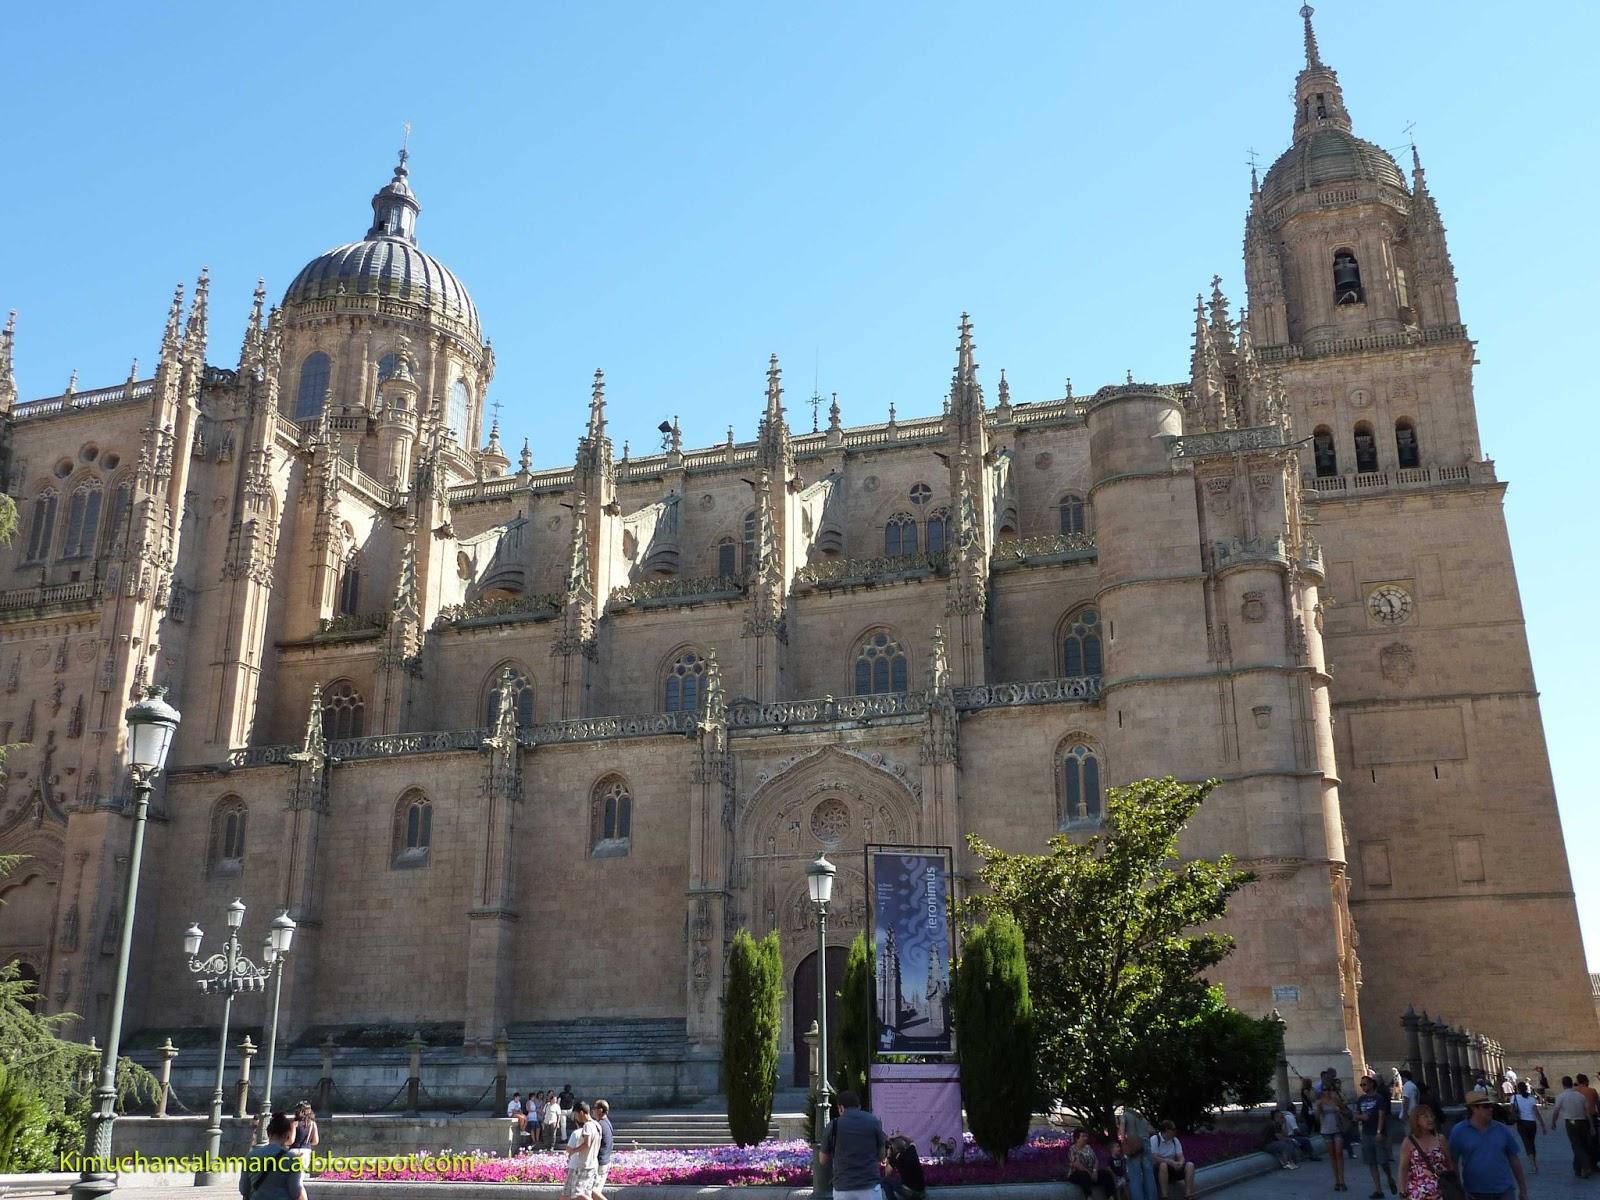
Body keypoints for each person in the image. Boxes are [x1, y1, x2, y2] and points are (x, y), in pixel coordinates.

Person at [1447, 1089, 1528, 1200]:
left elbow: (1514, 1159)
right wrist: (1460, 1189)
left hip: (1504, 1190)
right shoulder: (1459, 1131)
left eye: (1491, 1106)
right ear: (1473, 1108)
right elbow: (1453, 1162)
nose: (1490, 1109)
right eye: (1486, 1106)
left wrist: (1523, 1189)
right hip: (1475, 1192)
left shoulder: (1501, 1129)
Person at [819, 1090, 888, 1200]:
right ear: (859, 1106)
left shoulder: (834, 1125)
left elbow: (823, 1160)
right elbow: (881, 1155)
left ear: (840, 1107)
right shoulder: (873, 1121)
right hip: (869, 1186)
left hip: (843, 1187)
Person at [239, 1110, 307, 1200]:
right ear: (286, 1135)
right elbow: (295, 1192)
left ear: (268, 1134)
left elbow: (244, 1189)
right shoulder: (292, 1160)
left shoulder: (251, 1156)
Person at [1397, 1103, 1455, 1200]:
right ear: (1416, 1120)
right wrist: (1403, 1192)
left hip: (1442, 1191)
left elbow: (1450, 1164)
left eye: (1431, 1116)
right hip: (1418, 1193)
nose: (1430, 1119)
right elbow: (1403, 1169)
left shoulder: (1440, 1139)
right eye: (1426, 1117)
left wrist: (1454, 1185)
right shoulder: (1409, 1142)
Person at [1355, 1073, 1397, 1197]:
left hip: (1377, 1133)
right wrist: (1361, 1117)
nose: (1363, 1087)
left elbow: (1381, 1115)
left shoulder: (1379, 1098)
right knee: (1371, 1162)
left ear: (1371, 1084)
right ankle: (1378, 1190)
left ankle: (1389, 1177)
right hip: (1366, 1133)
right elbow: (1356, 1115)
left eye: (1364, 1084)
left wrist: (1379, 1132)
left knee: (1383, 1161)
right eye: (1361, 1085)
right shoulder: (1361, 1099)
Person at [1549, 1075, 1593, 1178]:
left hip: (1571, 1122)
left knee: (1576, 1145)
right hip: (1583, 1122)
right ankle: (1577, 1168)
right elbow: (1587, 1112)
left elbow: (1556, 1111)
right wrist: (1591, 1126)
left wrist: (1553, 1122)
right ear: (1572, 1084)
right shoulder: (1580, 1096)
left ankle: (1586, 1165)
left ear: (1563, 1085)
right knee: (1582, 1144)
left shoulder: (1561, 1096)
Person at [1116, 1102, 1157, 1200]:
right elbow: (1152, 1130)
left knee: (1135, 1177)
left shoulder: (1125, 1115)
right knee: (1149, 1175)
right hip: (1146, 1145)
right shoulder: (1141, 1118)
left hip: (1134, 1147)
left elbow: (1121, 1132)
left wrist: (1122, 1141)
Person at [1317, 1077, 1351, 1191]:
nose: (1327, 1092)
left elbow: (1344, 1109)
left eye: (1329, 1089)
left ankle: (1342, 1181)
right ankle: (1336, 1180)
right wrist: (1318, 1109)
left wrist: (1339, 1107)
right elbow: (1317, 1117)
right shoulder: (1320, 1102)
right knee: (1332, 1156)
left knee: (1339, 1153)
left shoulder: (1335, 1099)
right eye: (1325, 1089)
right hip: (1326, 1129)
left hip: (1337, 1128)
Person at [563, 1100, 601, 1200]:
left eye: (576, 1114)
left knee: (577, 1193)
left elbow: (587, 1144)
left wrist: (574, 1150)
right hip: (593, 1163)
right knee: (586, 1193)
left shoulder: (587, 1126)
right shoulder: (597, 1125)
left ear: (581, 1112)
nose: (576, 1118)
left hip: (585, 1164)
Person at [1149, 1120, 1196, 1200]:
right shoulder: (1155, 1139)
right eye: (1173, 1129)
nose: (1175, 1132)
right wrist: (1170, 1162)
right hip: (1159, 1169)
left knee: (1190, 1165)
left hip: (1173, 1167)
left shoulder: (1175, 1140)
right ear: (1167, 1130)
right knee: (1163, 1165)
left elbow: (1181, 1156)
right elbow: (1154, 1158)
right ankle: (1164, 1196)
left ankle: (1188, 1195)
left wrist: (1180, 1163)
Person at [1068, 1128, 1117, 1195]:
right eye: (1083, 1136)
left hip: (1092, 1173)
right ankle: (1089, 1197)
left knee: (1106, 1174)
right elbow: (1077, 1164)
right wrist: (1089, 1173)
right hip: (1078, 1174)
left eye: (1086, 1136)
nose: (1085, 1138)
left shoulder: (1088, 1147)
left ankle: (1111, 1196)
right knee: (1084, 1176)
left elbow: (1096, 1160)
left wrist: (1094, 1171)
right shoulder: (1073, 1149)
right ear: (1077, 1139)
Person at [1509, 1081, 1542, 1172]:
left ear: (1518, 1089)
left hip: (1521, 1122)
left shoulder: (1514, 1097)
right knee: (1531, 1142)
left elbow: (1511, 1110)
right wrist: (1542, 1124)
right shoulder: (1531, 1098)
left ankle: (1533, 1164)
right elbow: (1536, 1112)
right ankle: (1534, 1160)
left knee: (1526, 1143)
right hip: (1532, 1123)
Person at [882, 1135, 926, 1200]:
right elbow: (911, 1141)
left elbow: (886, 1174)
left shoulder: (896, 1159)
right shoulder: (911, 1150)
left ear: (894, 1149)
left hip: (912, 1193)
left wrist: (889, 1156)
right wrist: (900, 1136)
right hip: (922, 1191)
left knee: (885, 1181)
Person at [591, 1099, 615, 1200]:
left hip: (600, 1163)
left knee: (592, 1192)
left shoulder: (599, 1125)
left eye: (594, 1108)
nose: (592, 1111)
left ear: (600, 1110)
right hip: (605, 1161)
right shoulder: (607, 1123)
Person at [288, 1101, 318, 1168]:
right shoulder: (313, 1124)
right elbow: (315, 1141)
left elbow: (291, 1141)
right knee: (302, 1172)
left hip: (294, 1151)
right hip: (306, 1151)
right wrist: (306, 1144)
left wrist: (284, 1143)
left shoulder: (294, 1123)